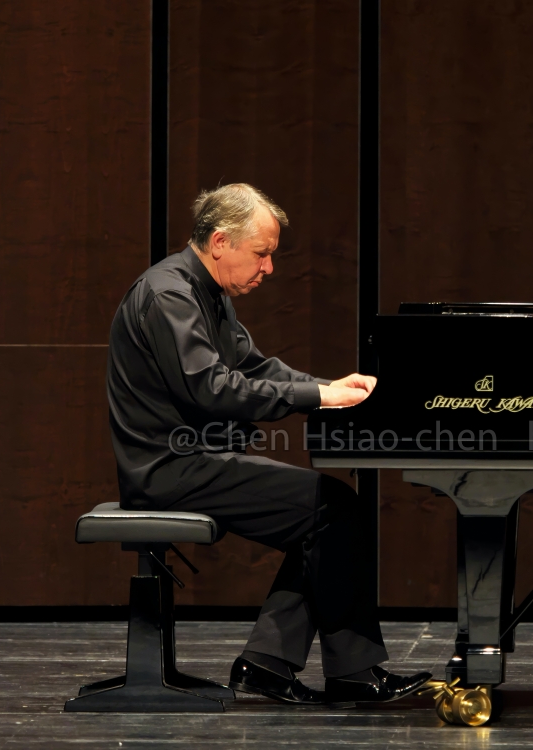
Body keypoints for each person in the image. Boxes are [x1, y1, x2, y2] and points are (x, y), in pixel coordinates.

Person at [106, 183, 430, 705]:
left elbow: (255, 368)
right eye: (261, 253)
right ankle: (330, 671)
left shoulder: (207, 293)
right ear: (219, 242)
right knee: (332, 509)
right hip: (168, 467)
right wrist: (317, 396)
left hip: (193, 460)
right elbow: (212, 388)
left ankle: (269, 665)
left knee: (330, 511)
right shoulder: (169, 295)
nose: (269, 267)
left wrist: (330, 388)